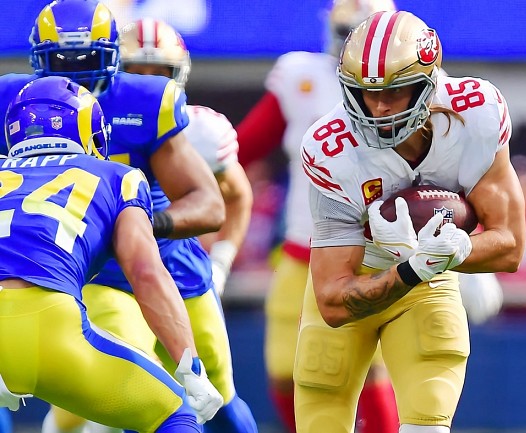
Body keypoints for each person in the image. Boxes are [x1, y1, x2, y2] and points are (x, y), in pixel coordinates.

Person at [0, 1, 228, 433]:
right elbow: (145, 271)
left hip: (145, 266)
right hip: (61, 306)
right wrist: (188, 365)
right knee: (177, 410)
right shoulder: (118, 176)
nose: (75, 74)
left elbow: (212, 203)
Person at [295, 10, 525, 433]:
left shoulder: (476, 115)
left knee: (427, 423)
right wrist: (412, 266)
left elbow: (510, 244)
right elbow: (331, 300)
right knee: (321, 413)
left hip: (429, 282)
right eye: (365, 92)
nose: (379, 106)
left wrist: (456, 252)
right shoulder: (331, 148)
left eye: (396, 91)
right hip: (362, 270)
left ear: (427, 82)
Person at [235, 1, 403, 432]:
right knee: (284, 369)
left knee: (369, 371)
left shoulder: (408, 89)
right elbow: (243, 147)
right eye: (343, 31)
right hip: (300, 250)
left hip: (371, 252)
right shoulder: (302, 75)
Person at [118, 17, 259, 433]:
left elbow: (235, 196)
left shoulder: (200, 130)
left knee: (217, 387)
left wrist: (222, 261)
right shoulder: (92, 121)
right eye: (136, 72)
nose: (148, 84)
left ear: (177, 74)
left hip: (177, 266)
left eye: (158, 72)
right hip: (109, 274)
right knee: (135, 391)